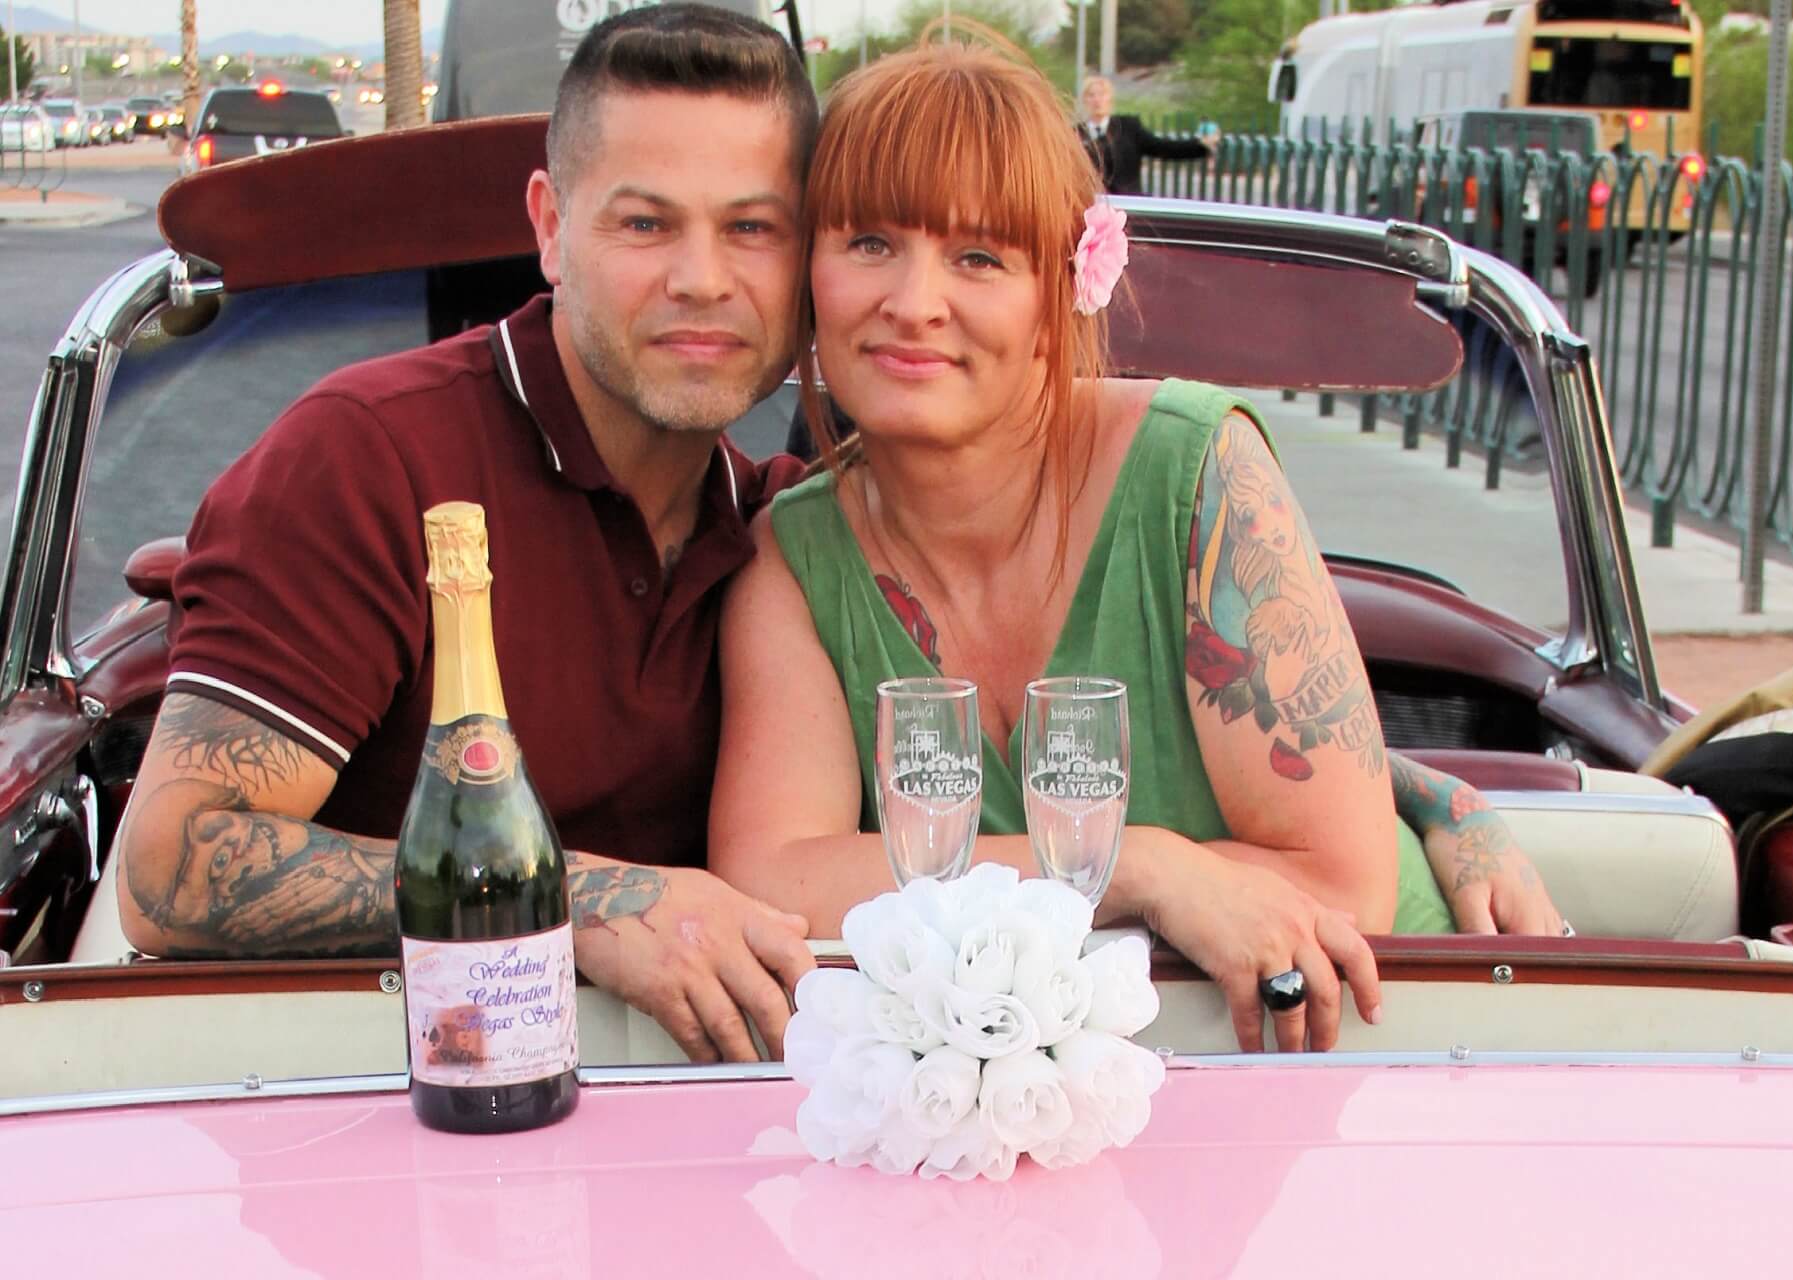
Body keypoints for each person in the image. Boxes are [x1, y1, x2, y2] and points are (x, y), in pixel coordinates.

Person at [708, 28, 1567, 1056]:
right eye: (870, 242)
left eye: (978, 255)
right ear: (813, 273)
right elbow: (772, 878)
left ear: (1055, 292)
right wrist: (1136, 868)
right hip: (1008, 1098)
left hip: (1368, 1043)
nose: (913, 301)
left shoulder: (1196, 474)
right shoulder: (793, 559)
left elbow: (1345, 887)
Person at [114, 4, 822, 1066]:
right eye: (644, 224)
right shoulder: (370, 458)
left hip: (689, 1131)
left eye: (753, 228)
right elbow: (173, 864)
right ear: (549, 225)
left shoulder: (785, 524)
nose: (702, 279)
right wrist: (584, 897)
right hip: (357, 1111)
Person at [1076, 75, 1214, 196]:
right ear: (1084, 99)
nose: (1097, 100)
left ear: (1110, 98)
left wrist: (1200, 146)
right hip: (1091, 203)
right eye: (1091, 95)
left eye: (1102, 94)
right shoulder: (1075, 134)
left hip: (1129, 203)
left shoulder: (1128, 128)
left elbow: (1162, 147)